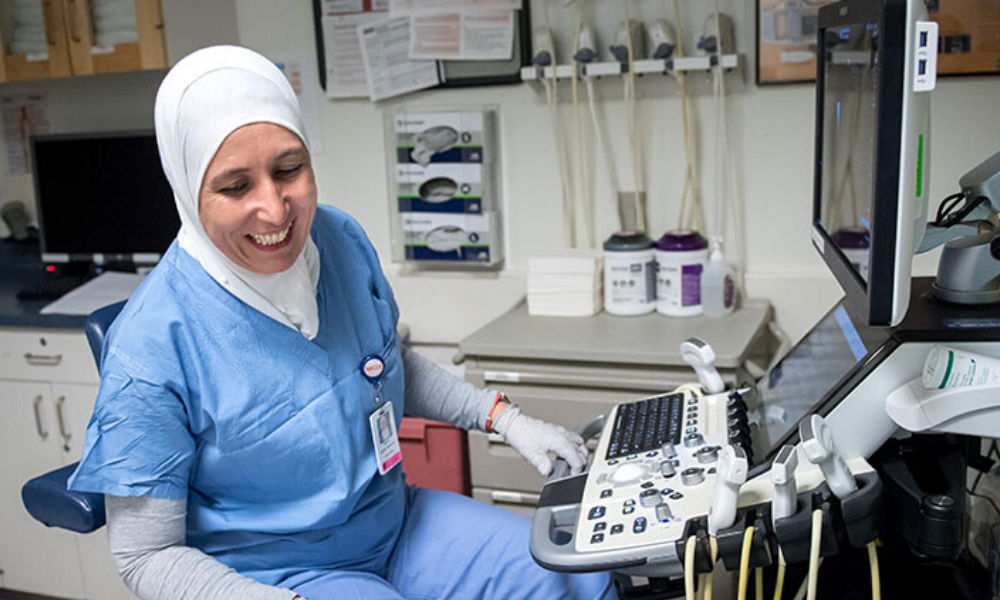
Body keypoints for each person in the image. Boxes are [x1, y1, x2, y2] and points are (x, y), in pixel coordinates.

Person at [67, 46, 615, 600]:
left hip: (395, 525)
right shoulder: (152, 344)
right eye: (236, 187)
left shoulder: (339, 239)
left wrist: (502, 416)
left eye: (289, 170)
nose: (276, 211)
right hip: (276, 574)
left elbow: (378, 364)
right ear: (188, 188)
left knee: (574, 577)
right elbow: (145, 554)